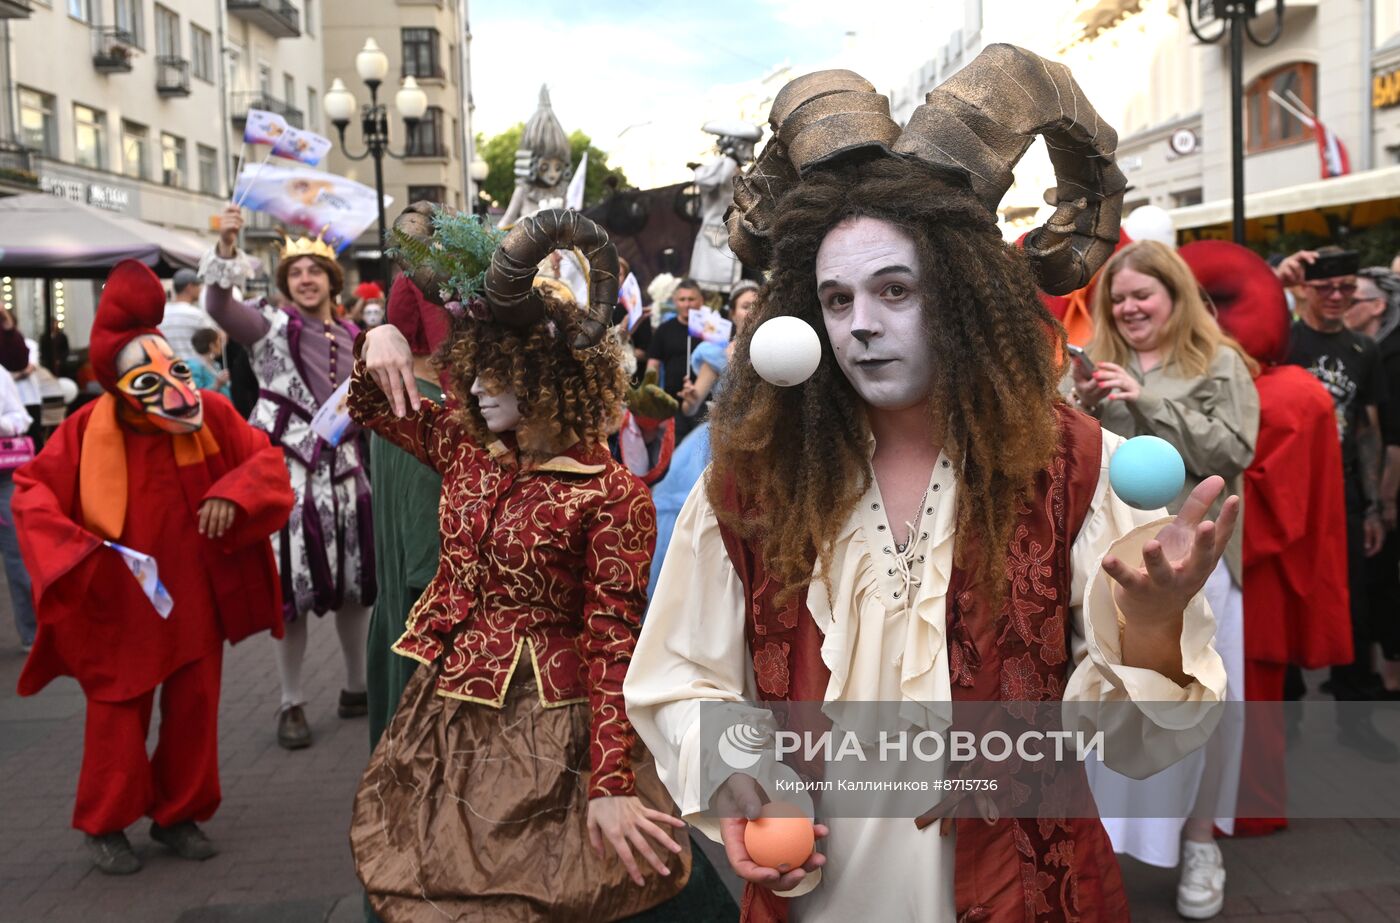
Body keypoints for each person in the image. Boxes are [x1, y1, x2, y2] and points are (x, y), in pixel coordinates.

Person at [625, 48, 1230, 923]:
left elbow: (1141, 745)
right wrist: (740, 772)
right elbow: (680, 679)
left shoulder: (1076, 463)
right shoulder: (751, 480)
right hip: (820, 891)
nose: (862, 325)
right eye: (837, 300)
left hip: (1025, 891)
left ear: (963, 296)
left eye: (895, 289)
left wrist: (1153, 624)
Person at [348, 206, 734, 921]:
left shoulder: (611, 495)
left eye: (498, 373)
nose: (475, 388)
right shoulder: (466, 450)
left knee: (581, 883)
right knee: (435, 871)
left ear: (548, 377)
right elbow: (375, 402)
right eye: (473, 370)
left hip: (558, 725)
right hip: (450, 710)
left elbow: (613, 643)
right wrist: (381, 335)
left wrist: (611, 782)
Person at [12, 260, 293, 875]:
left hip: (194, 596)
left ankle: (179, 814)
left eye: (174, 369)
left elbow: (264, 462)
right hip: (120, 601)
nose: (169, 387)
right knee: (117, 713)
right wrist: (74, 550)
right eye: (146, 377)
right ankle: (105, 823)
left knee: (195, 706)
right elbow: (32, 493)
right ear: (116, 384)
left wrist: (234, 493)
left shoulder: (210, 415)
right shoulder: (84, 431)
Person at [1070, 240, 1259, 919]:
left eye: (1142, 294)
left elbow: (1233, 449)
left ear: (1175, 296)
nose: (1128, 307)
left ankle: (1200, 843)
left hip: (1200, 563)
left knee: (1209, 705)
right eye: (1118, 297)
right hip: (1114, 563)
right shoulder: (1092, 363)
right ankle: (1099, 850)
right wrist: (1082, 406)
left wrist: (1145, 399)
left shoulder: (1219, 361)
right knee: (1113, 700)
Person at [1178, 240, 1351, 839]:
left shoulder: (1283, 396)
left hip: (1249, 569)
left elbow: (1268, 504)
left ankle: (1246, 808)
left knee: (1242, 689)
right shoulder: (1289, 389)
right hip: (1252, 566)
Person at [202, 203, 375, 751]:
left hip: (347, 476)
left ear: (331, 280)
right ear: (285, 283)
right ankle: (290, 701)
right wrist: (226, 247)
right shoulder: (268, 327)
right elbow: (218, 306)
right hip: (290, 481)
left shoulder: (356, 335)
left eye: (314, 270)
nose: (305, 279)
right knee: (291, 591)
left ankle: (356, 688)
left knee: (356, 587)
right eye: (295, 272)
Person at [1274, 247, 1397, 761]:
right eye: (1325, 287)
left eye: (1347, 287)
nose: (1337, 297)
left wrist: (1374, 507)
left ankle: (1356, 717)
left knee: (1354, 604)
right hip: (1287, 490)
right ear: (1304, 289)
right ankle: (1285, 719)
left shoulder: (1362, 349)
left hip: (1342, 493)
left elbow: (1368, 430)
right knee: (1285, 600)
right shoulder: (1282, 341)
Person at [1348, 267, 1400, 697]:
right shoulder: (1364, 349)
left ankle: (1390, 677)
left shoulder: (1388, 354)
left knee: (1382, 585)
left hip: (1384, 491)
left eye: (1353, 297)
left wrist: (1384, 501)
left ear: (1378, 306)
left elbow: (1391, 438)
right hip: (1364, 491)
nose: (1342, 302)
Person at [0, 365, 35, 650]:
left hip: (2, 477)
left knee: (18, 556)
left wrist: (3, 426)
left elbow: (21, 417)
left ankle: (33, 634)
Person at [645, 278, 705, 441]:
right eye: (682, 299)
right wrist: (650, 396)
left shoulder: (711, 330)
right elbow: (653, 366)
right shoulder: (664, 330)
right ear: (675, 301)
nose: (687, 304)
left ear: (701, 300)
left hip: (704, 404)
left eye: (691, 299)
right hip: (672, 404)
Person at [159, 268, 211, 363]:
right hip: (193, 369)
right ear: (189, 287)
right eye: (198, 286)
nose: (200, 290)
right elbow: (211, 343)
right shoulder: (196, 314)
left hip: (168, 367)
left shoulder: (162, 313)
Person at [188, 328, 232, 399]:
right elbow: (198, 394)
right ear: (212, 346)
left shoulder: (214, 364)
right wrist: (217, 384)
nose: (221, 345)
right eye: (219, 341)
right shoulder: (194, 367)